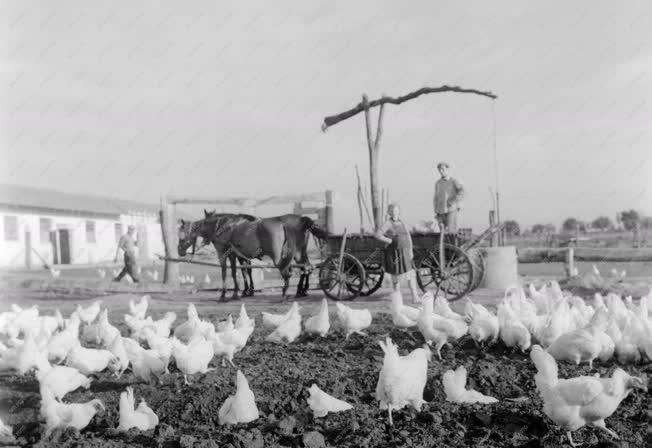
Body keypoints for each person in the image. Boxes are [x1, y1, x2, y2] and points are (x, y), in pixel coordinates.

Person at [374, 203, 421, 304]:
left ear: (399, 211)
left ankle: (415, 296)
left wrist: (411, 249)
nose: (394, 212)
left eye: (396, 210)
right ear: (389, 212)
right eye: (392, 210)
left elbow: (408, 236)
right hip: (394, 253)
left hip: (405, 252)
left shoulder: (402, 222)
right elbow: (377, 235)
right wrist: (389, 241)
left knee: (410, 274)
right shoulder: (388, 223)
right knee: (395, 276)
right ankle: (398, 299)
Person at [433, 162, 465, 233]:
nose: (441, 171)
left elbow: (462, 191)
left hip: (451, 209)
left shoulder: (453, 181)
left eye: (443, 169)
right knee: (442, 231)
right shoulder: (438, 183)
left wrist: (454, 200)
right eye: (439, 170)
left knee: (451, 230)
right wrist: (436, 210)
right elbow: (436, 198)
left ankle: (453, 243)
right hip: (440, 211)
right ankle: (443, 244)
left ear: (447, 169)